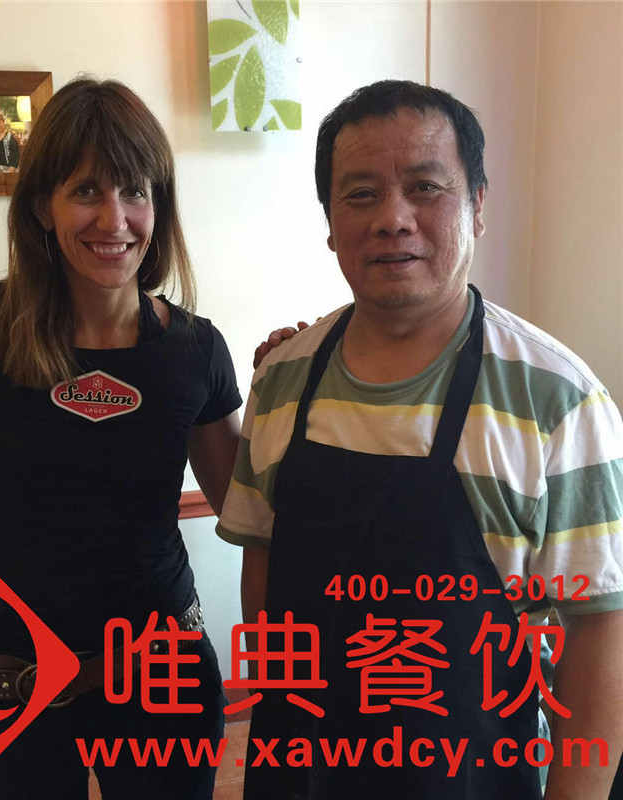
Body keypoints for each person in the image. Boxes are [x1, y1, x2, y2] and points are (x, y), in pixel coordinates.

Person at [217, 80, 623, 799]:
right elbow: (264, 575)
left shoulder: (559, 401)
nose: (392, 219)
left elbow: (598, 643)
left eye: (425, 188)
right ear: (330, 221)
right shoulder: (280, 379)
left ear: (478, 205)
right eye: (361, 194)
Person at [0, 78, 243, 799]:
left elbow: (243, 508)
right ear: (41, 207)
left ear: (159, 207)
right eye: (86, 191)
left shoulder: (196, 350)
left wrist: (294, 391)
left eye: (135, 192)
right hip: (10, 674)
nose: (115, 218)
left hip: (162, 673)